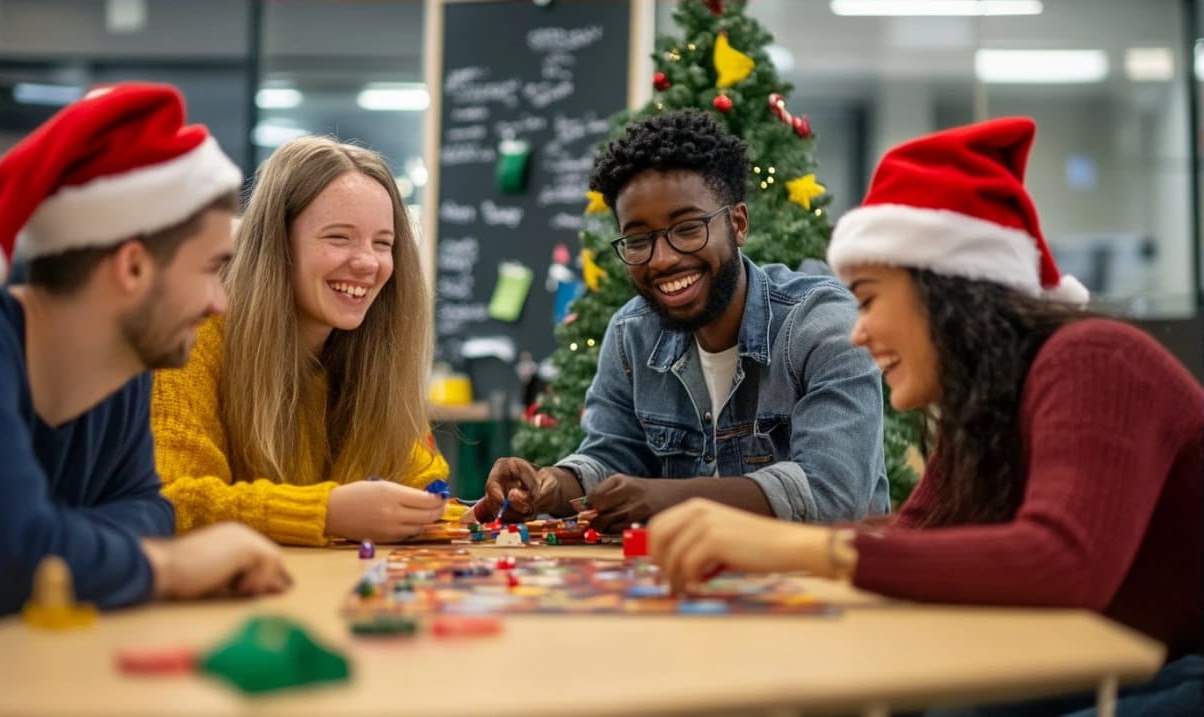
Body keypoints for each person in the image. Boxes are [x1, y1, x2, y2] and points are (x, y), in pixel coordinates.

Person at [649, 117, 1202, 714]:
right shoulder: (987, 400)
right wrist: (755, 547)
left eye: (867, 298)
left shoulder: (1093, 358)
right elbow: (919, 537)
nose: (858, 333)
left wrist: (796, 549)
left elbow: (1063, 563)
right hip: (1094, 662)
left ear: (946, 291)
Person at [0, 82, 291, 637]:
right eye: (211, 269)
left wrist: (54, 538)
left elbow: (151, 509)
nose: (220, 304)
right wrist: (169, 566)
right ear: (133, 268)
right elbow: (7, 566)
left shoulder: (121, 365)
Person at [475, 109, 889, 532]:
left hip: (818, 586)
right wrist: (551, 485)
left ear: (738, 223)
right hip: (680, 586)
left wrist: (665, 498)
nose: (663, 258)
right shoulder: (631, 334)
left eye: (688, 228)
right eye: (638, 240)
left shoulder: (821, 325)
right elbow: (613, 456)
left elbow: (834, 495)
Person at [151, 136, 448, 546]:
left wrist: (476, 506)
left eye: (383, 243)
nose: (367, 262)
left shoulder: (365, 351)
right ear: (277, 245)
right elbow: (169, 501)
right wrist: (326, 513)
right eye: (339, 237)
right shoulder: (192, 338)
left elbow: (421, 482)